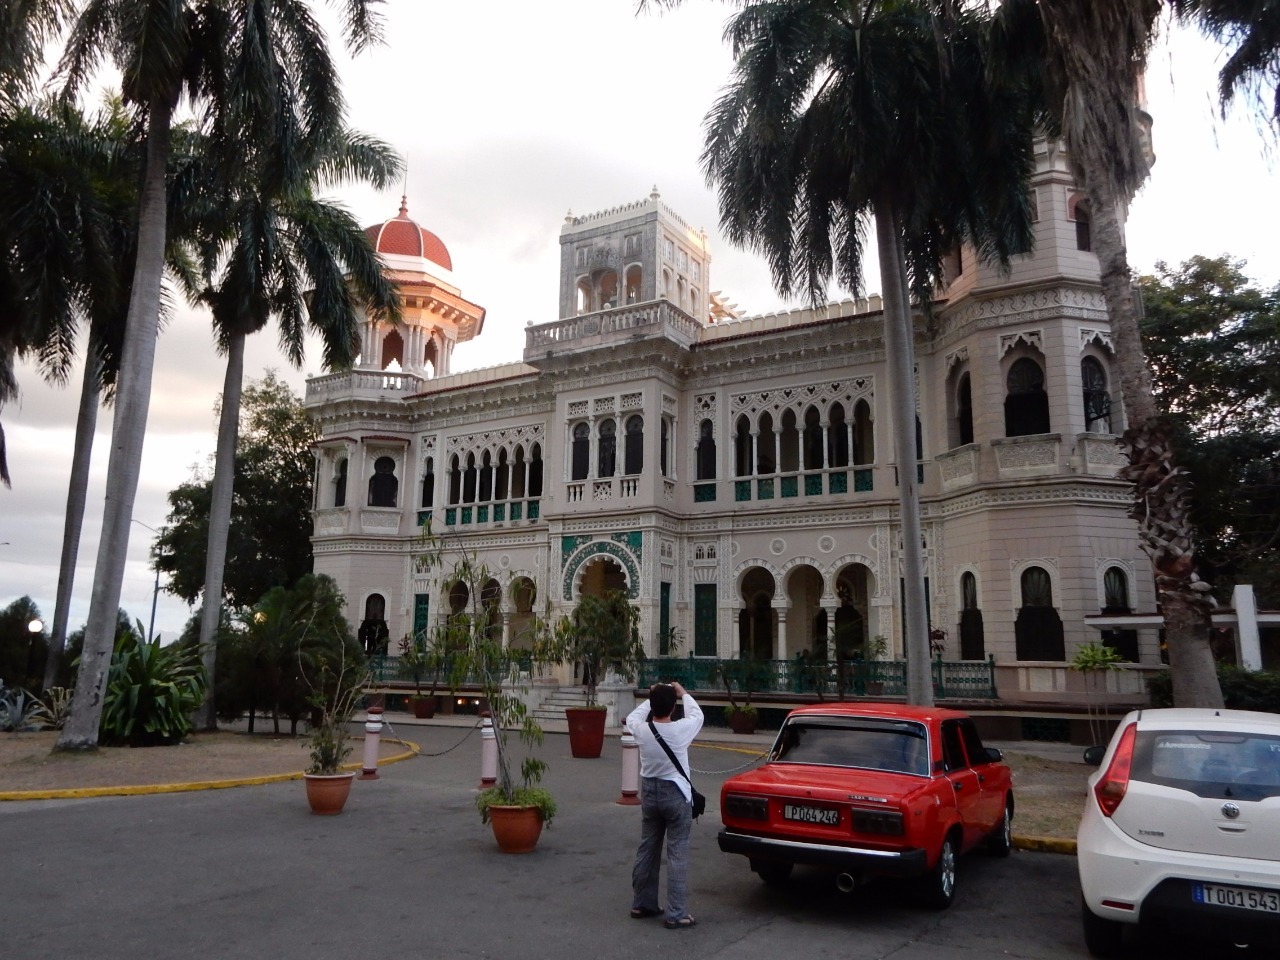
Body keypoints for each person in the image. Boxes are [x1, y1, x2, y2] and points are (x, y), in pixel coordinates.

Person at [625, 681, 704, 929]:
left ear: (652, 707)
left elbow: (631, 716)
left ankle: (642, 903)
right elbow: (697, 714)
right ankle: (677, 912)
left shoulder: (642, 729)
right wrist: (683, 693)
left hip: (650, 791)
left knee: (647, 848)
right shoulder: (680, 730)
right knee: (677, 852)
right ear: (673, 707)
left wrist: (652, 696)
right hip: (675, 794)